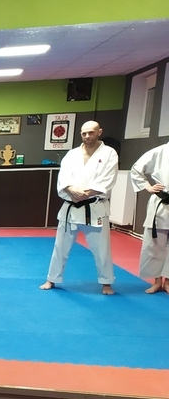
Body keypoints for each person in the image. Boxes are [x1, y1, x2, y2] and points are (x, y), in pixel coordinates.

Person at [40, 120, 119, 295]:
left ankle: (106, 282)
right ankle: (52, 278)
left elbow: (108, 179)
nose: (87, 136)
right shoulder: (72, 154)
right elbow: (63, 178)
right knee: (60, 247)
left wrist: (86, 193)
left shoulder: (109, 153)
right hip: (71, 206)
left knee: (102, 249)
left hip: (95, 207)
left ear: (99, 132)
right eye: (84, 133)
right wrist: (71, 190)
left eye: (91, 132)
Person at [129, 142, 169, 293]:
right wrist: (148, 186)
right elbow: (136, 169)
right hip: (161, 202)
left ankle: (168, 282)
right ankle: (157, 281)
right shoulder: (160, 151)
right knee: (154, 244)